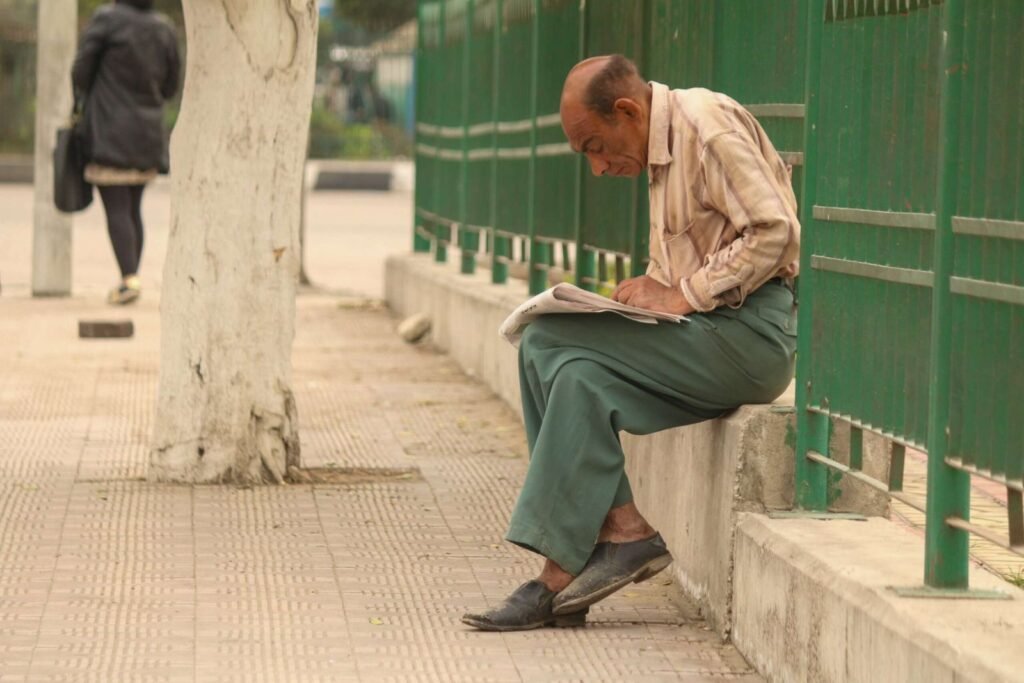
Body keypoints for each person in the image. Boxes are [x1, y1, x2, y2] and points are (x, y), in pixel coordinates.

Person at [462, 55, 800, 631]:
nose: (597, 167)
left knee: (546, 340)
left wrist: (682, 294)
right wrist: (646, 295)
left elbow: (776, 230)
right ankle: (619, 535)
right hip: (708, 334)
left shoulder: (705, 126)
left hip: (751, 336)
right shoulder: (661, 151)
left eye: (594, 145)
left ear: (627, 111)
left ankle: (581, 558)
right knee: (575, 374)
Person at [72, 0, 180, 305]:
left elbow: (81, 71)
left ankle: (129, 279)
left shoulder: (108, 19)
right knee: (133, 207)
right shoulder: (164, 28)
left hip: (110, 129)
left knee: (117, 207)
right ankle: (131, 276)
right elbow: (172, 85)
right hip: (147, 131)